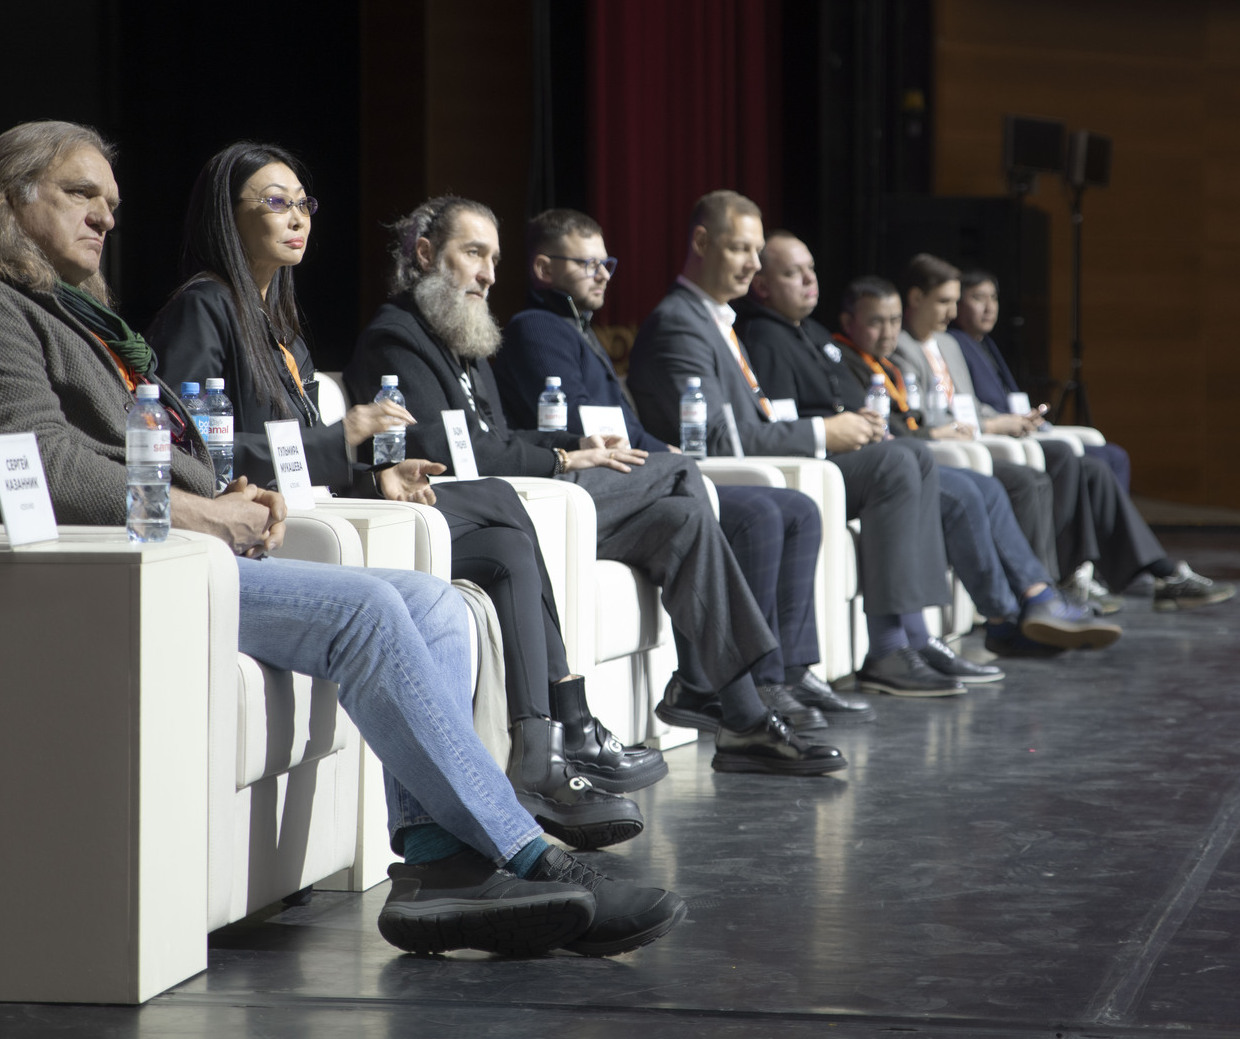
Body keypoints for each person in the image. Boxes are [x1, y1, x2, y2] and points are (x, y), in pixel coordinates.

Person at [0, 122, 683, 958]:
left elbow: (148, 449)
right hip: (94, 574)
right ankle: (530, 852)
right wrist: (203, 512)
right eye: (80, 194)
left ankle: (438, 867)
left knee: (437, 606)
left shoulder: (77, 318)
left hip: (168, 556)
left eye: (111, 202)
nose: (105, 217)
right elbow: (41, 466)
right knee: (369, 612)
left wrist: (223, 492)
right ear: (8, 199)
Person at [144, 143, 659, 854]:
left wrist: (375, 475)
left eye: (303, 203)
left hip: (318, 508)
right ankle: (554, 737)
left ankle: (541, 744)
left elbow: (295, 454)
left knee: (505, 540)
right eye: (274, 202)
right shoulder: (203, 307)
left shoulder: (277, 322)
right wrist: (347, 440)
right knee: (499, 503)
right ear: (227, 218)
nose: (297, 218)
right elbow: (197, 452)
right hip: (261, 528)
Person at [345, 195, 846, 776]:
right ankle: (710, 687)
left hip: (530, 500)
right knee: (678, 470)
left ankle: (740, 715)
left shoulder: (461, 338)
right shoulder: (397, 338)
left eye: (494, 259)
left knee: (682, 520)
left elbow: (497, 436)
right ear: (426, 255)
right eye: (474, 253)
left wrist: (575, 444)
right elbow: (449, 455)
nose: (488, 274)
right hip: (479, 512)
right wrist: (562, 456)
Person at [493, 207, 872, 730]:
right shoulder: (535, 327)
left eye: (607, 263)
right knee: (745, 505)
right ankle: (746, 684)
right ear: (543, 269)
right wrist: (665, 457)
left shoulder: (576, 328)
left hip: (619, 474)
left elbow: (622, 425)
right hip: (580, 485)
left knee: (791, 508)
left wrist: (661, 450)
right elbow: (582, 426)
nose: (603, 275)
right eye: (587, 264)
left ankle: (757, 679)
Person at [625, 192, 970, 698]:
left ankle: (903, 638)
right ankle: (887, 648)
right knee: (894, 462)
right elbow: (716, 438)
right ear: (701, 242)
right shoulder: (680, 322)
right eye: (741, 248)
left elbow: (759, 416)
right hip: (718, 474)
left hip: (767, 461)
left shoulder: (719, 319)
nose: (753, 263)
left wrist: (830, 430)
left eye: (757, 250)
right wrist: (823, 433)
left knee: (911, 455)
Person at [888, 256, 1233, 615]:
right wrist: (991, 426)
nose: (952, 311)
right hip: (961, 446)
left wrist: (1010, 420)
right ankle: (1061, 580)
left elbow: (969, 405)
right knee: (1058, 460)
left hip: (983, 436)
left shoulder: (947, 344)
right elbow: (926, 419)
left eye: (956, 301)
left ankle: (1132, 571)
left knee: (1095, 468)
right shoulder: (902, 347)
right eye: (945, 301)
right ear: (916, 298)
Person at [830, 275, 1122, 655]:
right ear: (849, 322)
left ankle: (1038, 598)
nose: (888, 332)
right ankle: (1007, 618)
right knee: (972, 491)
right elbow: (877, 430)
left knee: (999, 484)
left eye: (893, 321)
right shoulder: (844, 363)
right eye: (876, 322)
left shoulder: (888, 365)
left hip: (915, 456)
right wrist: (933, 435)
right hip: (887, 466)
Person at [950, 267, 1133, 499]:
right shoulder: (953, 343)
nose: (989, 307)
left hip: (1021, 430)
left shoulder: (986, 343)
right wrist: (1004, 421)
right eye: (978, 298)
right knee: (1098, 464)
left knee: (1114, 456)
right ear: (958, 304)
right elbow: (969, 404)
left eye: (994, 298)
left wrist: (1027, 417)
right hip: (998, 436)